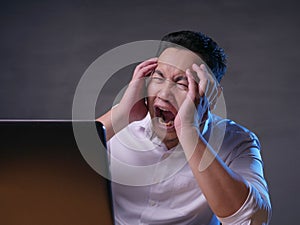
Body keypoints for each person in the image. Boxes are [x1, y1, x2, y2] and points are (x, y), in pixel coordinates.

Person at [98, 31, 272, 225]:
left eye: (182, 83)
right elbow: (59, 169)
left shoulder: (237, 141)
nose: (164, 94)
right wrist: (121, 115)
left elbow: (254, 219)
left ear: (211, 95)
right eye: (158, 77)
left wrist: (189, 131)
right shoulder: (118, 124)